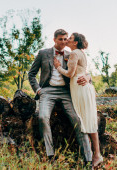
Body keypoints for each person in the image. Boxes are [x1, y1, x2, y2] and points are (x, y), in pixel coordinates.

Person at [28, 29, 93, 167]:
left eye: (65, 39)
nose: (63, 42)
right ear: (54, 40)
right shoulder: (43, 53)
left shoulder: (72, 53)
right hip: (47, 91)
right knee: (42, 117)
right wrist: (38, 90)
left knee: (78, 119)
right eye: (60, 39)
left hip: (66, 92)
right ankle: (50, 154)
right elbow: (31, 74)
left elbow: (84, 71)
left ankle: (88, 159)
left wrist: (88, 78)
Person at [53, 32, 103, 167]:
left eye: (70, 38)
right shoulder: (80, 52)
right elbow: (81, 70)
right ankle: (94, 154)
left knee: (85, 121)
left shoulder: (75, 53)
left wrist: (58, 67)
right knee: (88, 120)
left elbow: (70, 74)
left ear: (75, 42)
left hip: (80, 88)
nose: (67, 40)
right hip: (82, 88)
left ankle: (96, 155)